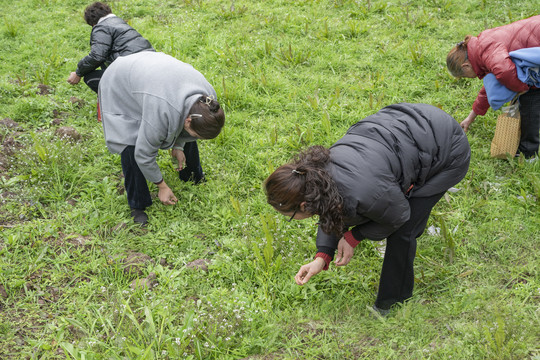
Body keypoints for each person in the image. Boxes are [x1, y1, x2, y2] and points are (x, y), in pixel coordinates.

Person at [264, 103, 470, 314]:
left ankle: (393, 302)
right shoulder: (314, 174)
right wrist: (322, 256)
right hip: (410, 125)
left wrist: (355, 236)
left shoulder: (364, 190)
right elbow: (328, 206)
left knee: (404, 228)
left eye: (291, 216)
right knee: (378, 205)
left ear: (303, 205)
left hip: (448, 150)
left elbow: (399, 215)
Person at [98, 51, 225, 225]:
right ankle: (138, 205)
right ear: (187, 121)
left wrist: (179, 145)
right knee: (131, 143)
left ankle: (192, 175)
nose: (195, 138)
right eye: (196, 135)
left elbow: (187, 126)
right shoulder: (161, 111)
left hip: (154, 74)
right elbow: (144, 155)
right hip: (121, 80)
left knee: (195, 129)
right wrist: (162, 186)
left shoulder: (208, 103)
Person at [446, 15, 540, 158]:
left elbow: (506, 72)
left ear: (465, 66)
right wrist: (471, 117)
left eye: (465, 76)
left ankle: (528, 155)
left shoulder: (486, 50)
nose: (471, 78)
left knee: (529, 99)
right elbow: (490, 88)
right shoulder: (480, 47)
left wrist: (522, 88)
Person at [67, 1, 155, 93]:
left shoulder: (101, 27)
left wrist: (78, 73)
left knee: (90, 78)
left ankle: (120, 104)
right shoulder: (120, 23)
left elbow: (96, 56)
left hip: (133, 71)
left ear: (93, 23)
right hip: (150, 65)